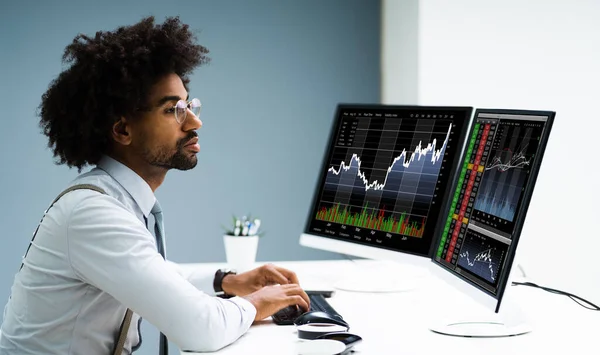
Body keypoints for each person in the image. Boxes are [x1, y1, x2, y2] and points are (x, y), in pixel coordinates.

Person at [0, 16, 310, 355]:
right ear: (122, 131)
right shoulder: (93, 213)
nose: (195, 121)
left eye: (188, 105)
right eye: (172, 110)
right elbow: (201, 329)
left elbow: (154, 273)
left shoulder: (110, 199)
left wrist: (226, 280)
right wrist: (256, 303)